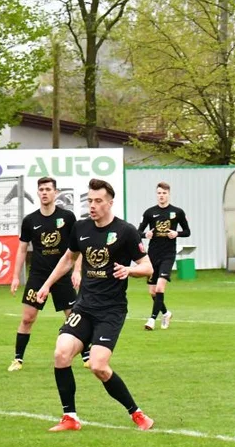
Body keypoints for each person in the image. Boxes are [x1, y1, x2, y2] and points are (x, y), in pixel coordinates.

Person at [35, 178, 155, 432]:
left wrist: (130, 270)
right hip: (85, 307)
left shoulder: (126, 231)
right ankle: (70, 418)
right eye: (89, 200)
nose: (92, 205)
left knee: (98, 365)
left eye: (98, 201)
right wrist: (46, 285)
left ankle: (137, 413)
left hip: (111, 310)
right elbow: (68, 259)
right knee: (61, 354)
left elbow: (148, 267)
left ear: (110, 203)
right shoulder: (80, 228)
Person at [7, 177, 77, 372]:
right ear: (38, 193)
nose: (44, 192)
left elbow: (77, 247)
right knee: (28, 318)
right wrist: (15, 276)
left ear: (56, 193)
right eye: (41, 189)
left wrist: (77, 271)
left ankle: (86, 354)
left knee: (73, 317)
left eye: (48, 189)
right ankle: (18, 359)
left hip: (62, 275)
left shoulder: (68, 217)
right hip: (38, 275)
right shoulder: (30, 220)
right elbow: (22, 250)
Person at [137, 182, 190, 330]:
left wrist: (177, 233)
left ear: (169, 194)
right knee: (152, 291)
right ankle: (166, 313)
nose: (161, 196)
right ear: (156, 194)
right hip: (153, 254)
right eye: (159, 193)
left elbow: (187, 231)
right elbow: (138, 231)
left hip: (168, 254)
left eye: (164, 193)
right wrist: (145, 234)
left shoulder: (177, 212)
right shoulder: (149, 212)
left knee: (160, 288)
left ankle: (152, 319)